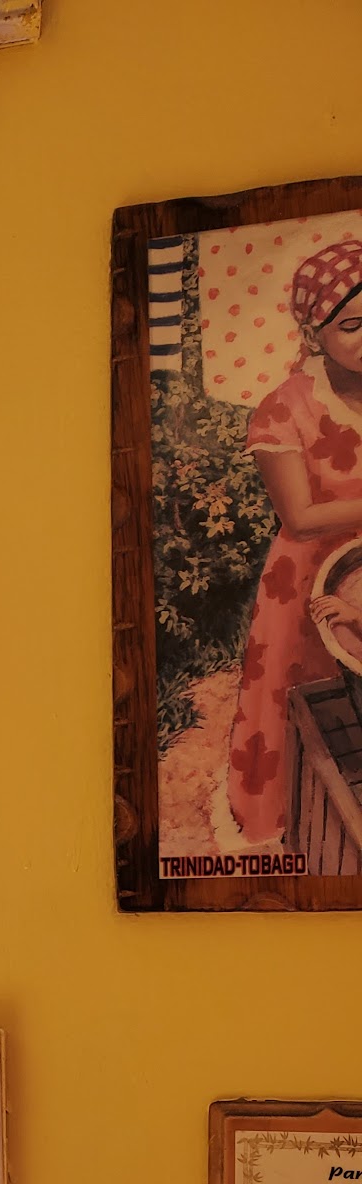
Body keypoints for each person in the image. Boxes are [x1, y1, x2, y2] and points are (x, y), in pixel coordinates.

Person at [228, 240, 362, 842]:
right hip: (309, 575)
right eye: (352, 325)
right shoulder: (286, 408)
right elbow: (301, 517)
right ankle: (287, 823)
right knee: (303, 697)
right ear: (313, 335)